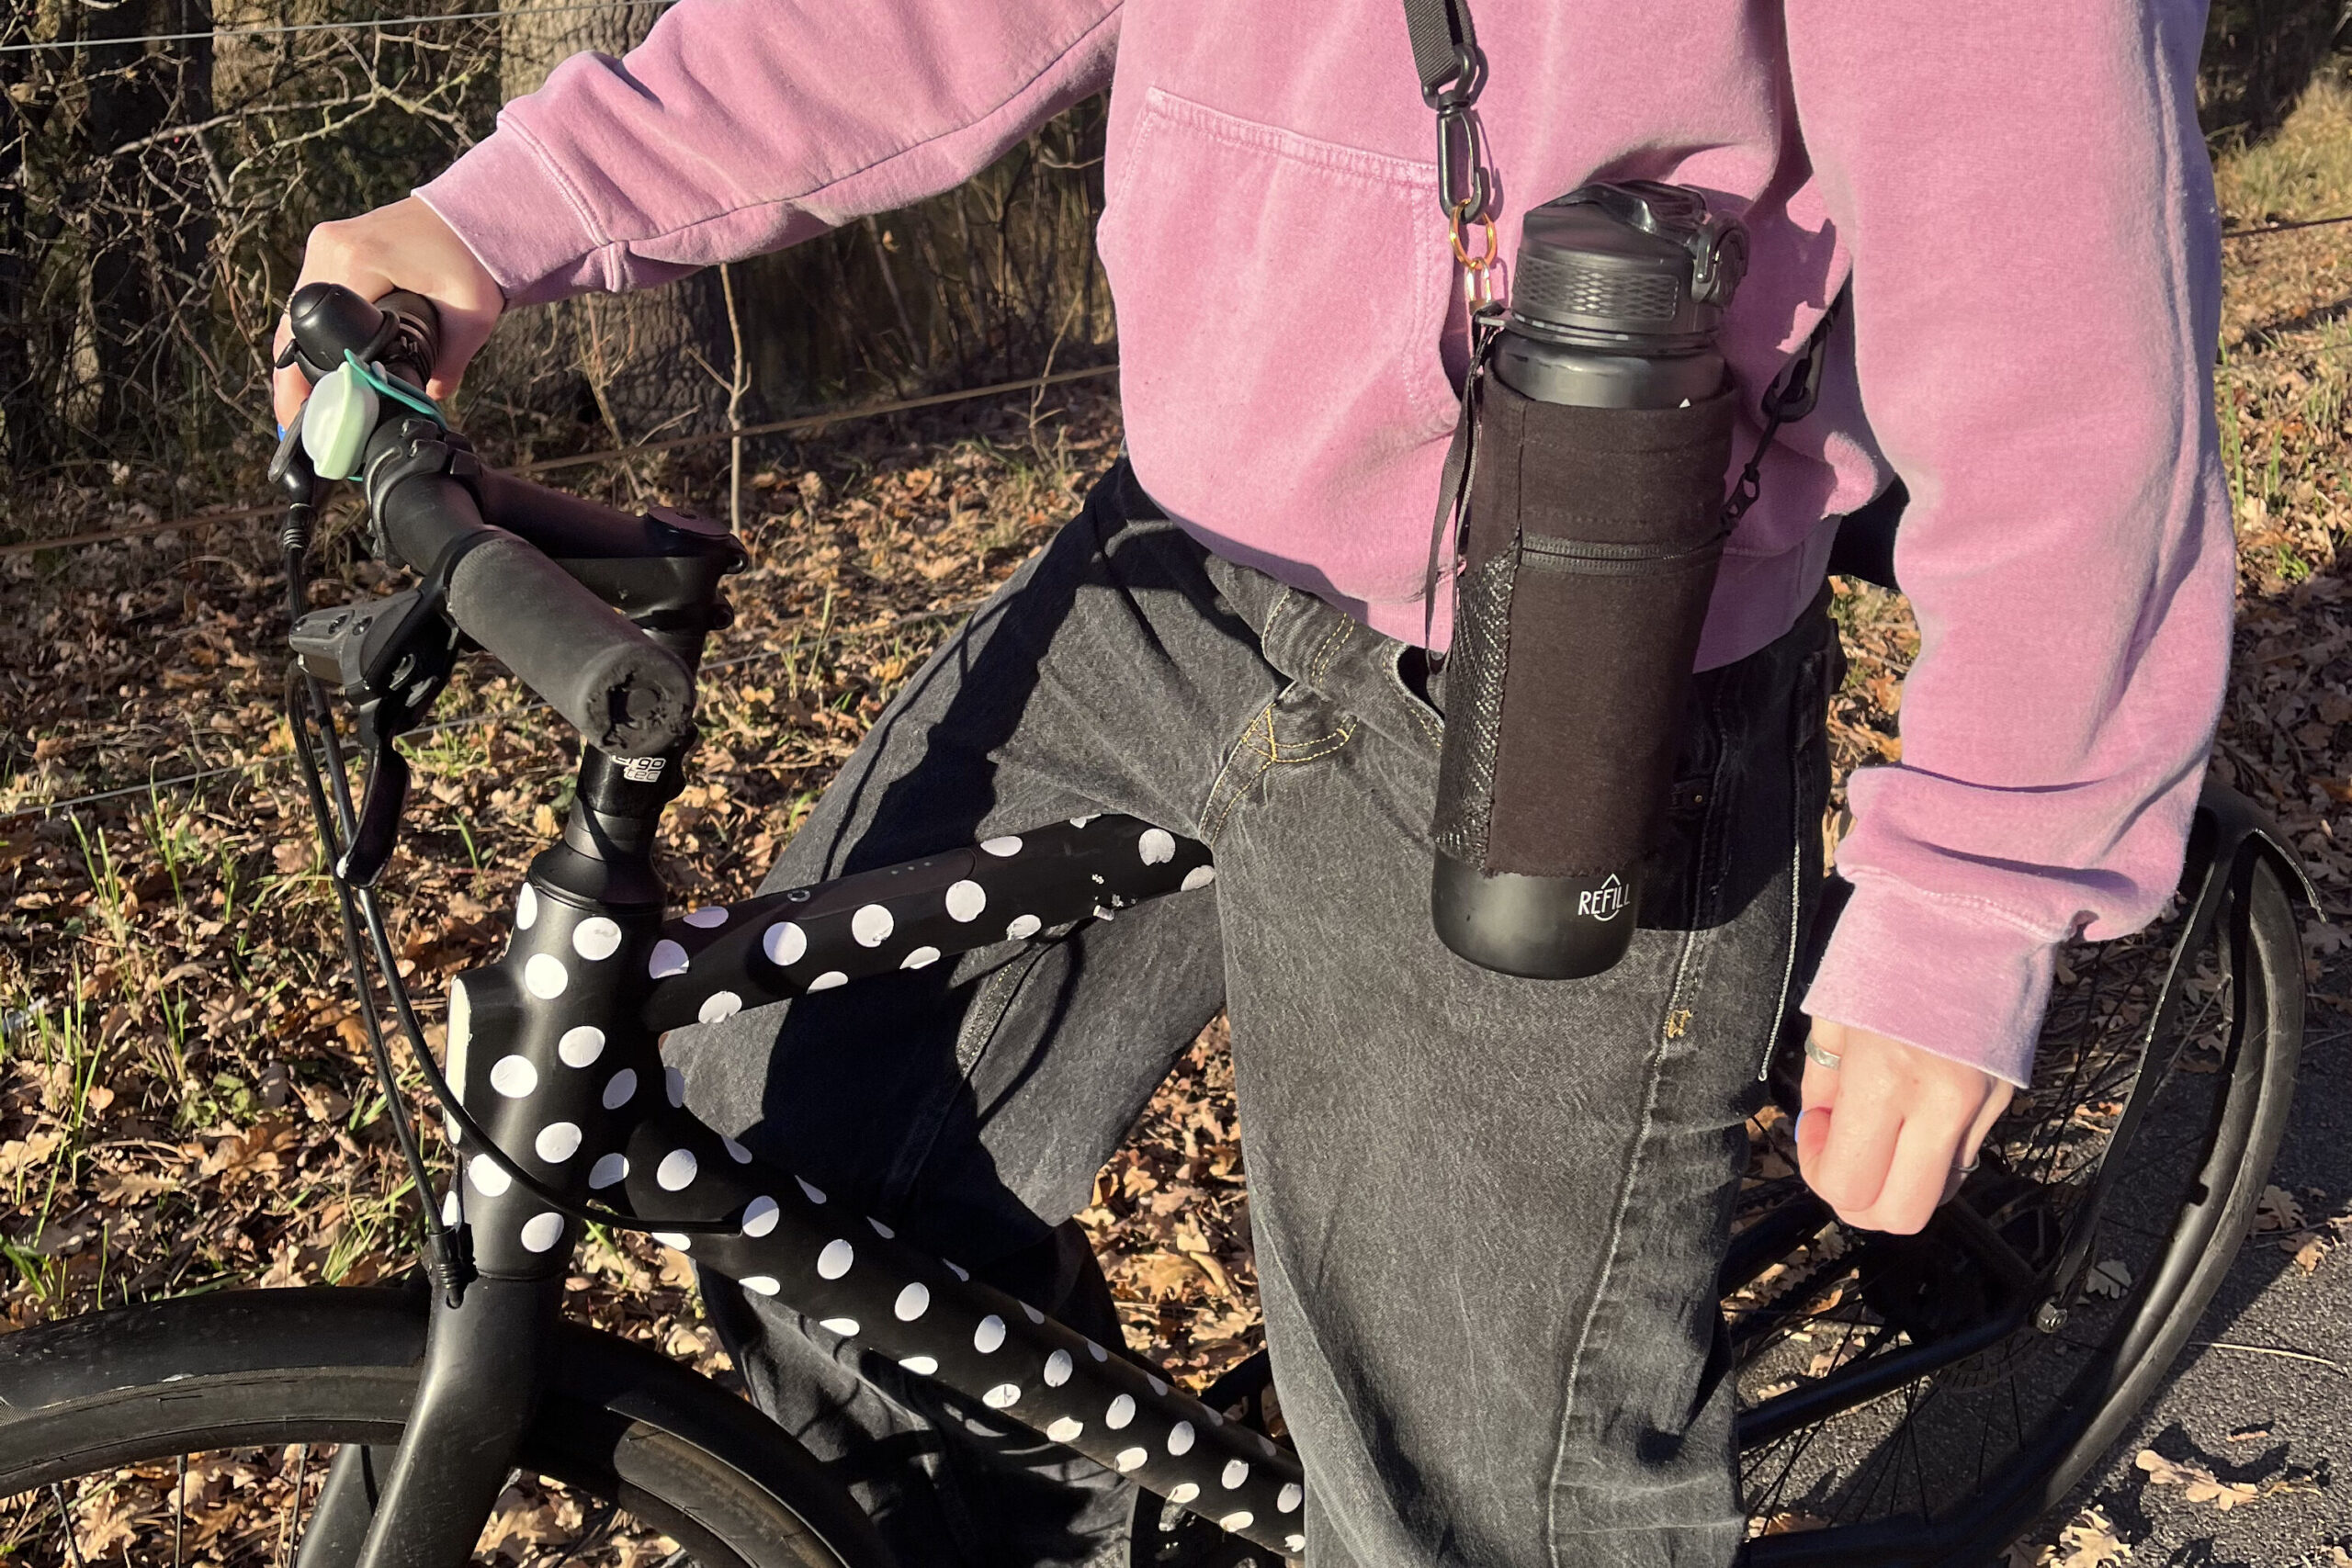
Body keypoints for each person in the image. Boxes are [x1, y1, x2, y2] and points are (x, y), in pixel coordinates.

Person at [273, 4, 2232, 1563]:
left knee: (1463, 1504)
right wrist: (501, 215)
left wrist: (1983, 870)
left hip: (1575, 655)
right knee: (793, 1142)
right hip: (1189, 554)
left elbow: (2050, 274)